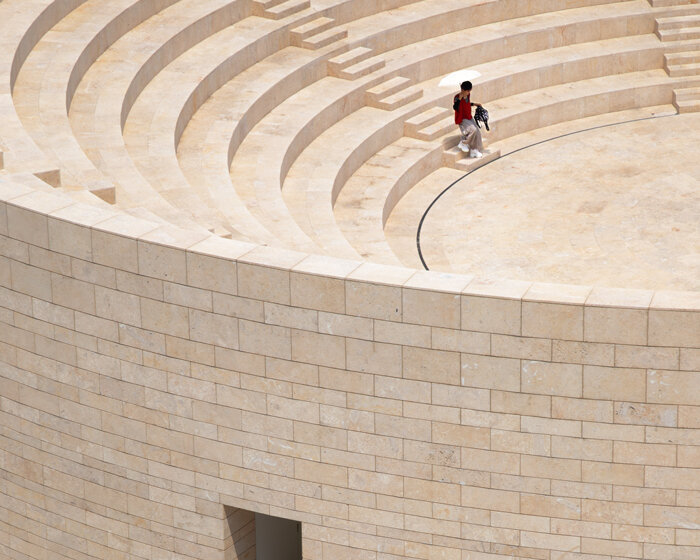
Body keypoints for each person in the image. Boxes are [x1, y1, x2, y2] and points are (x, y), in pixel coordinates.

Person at [453, 81, 484, 158]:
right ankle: (463, 143)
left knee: (477, 132)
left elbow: (467, 104)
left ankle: (474, 150)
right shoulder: (457, 97)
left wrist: (475, 104)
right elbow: (455, 108)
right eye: (467, 91)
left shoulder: (468, 95)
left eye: (469, 91)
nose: (469, 92)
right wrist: (459, 99)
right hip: (462, 118)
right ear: (463, 90)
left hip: (469, 117)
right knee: (473, 130)